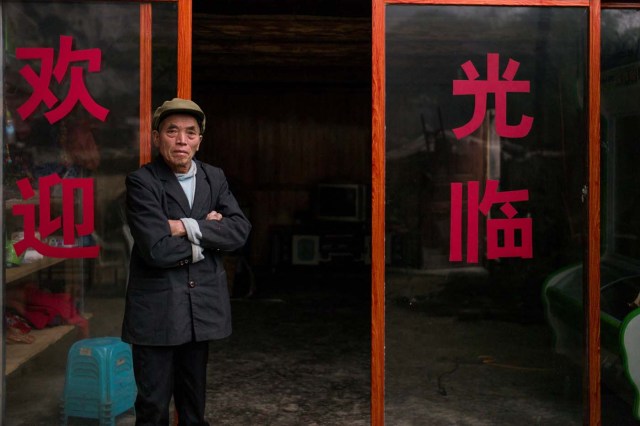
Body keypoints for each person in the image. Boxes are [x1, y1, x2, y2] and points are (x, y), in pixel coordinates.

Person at [121, 98, 251, 425]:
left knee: (194, 407)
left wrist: (184, 226)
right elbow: (156, 249)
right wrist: (208, 237)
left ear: (199, 141)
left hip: (199, 312)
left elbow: (239, 232)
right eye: (172, 131)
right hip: (157, 313)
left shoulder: (214, 177)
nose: (182, 140)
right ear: (156, 137)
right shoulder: (142, 182)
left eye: (191, 133)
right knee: (152, 407)